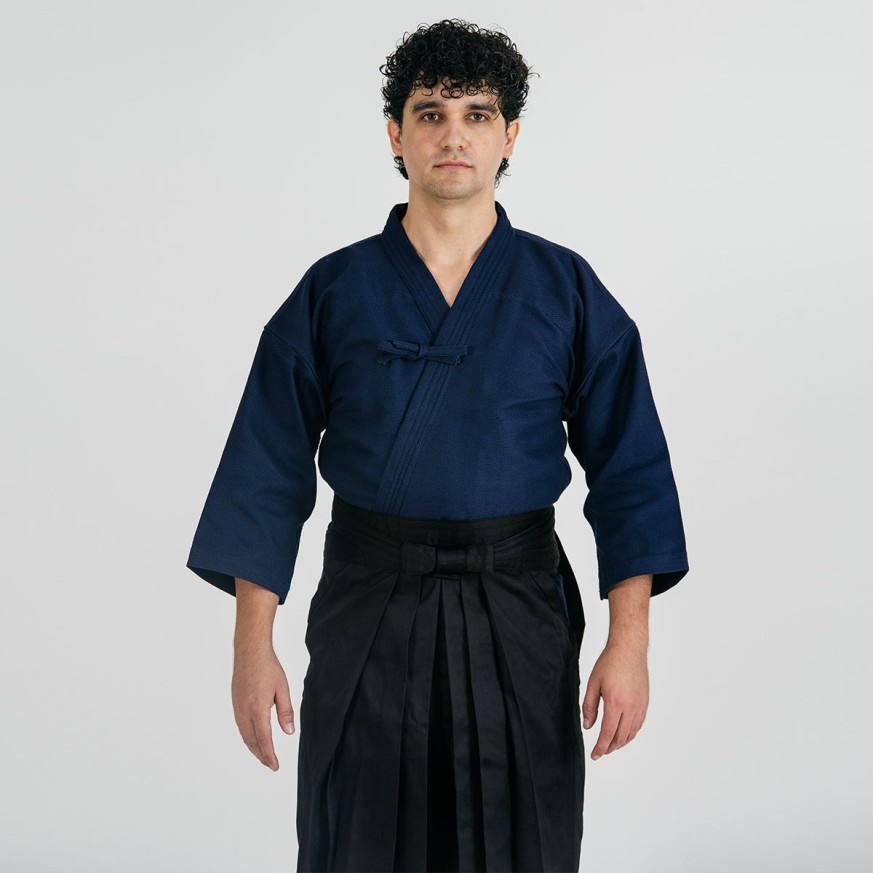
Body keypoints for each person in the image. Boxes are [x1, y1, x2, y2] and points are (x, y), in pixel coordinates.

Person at [186, 18, 689, 873]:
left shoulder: (564, 289)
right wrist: (249, 645)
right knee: (355, 838)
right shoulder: (333, 290)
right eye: (430, 113)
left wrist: (628, 641)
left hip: (518, 605)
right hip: (367, 605)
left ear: (509, 136)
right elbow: (264, 469)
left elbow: (630, 469)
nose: (453, 135)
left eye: (477, 114)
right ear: (396, 133)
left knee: (522, 840)